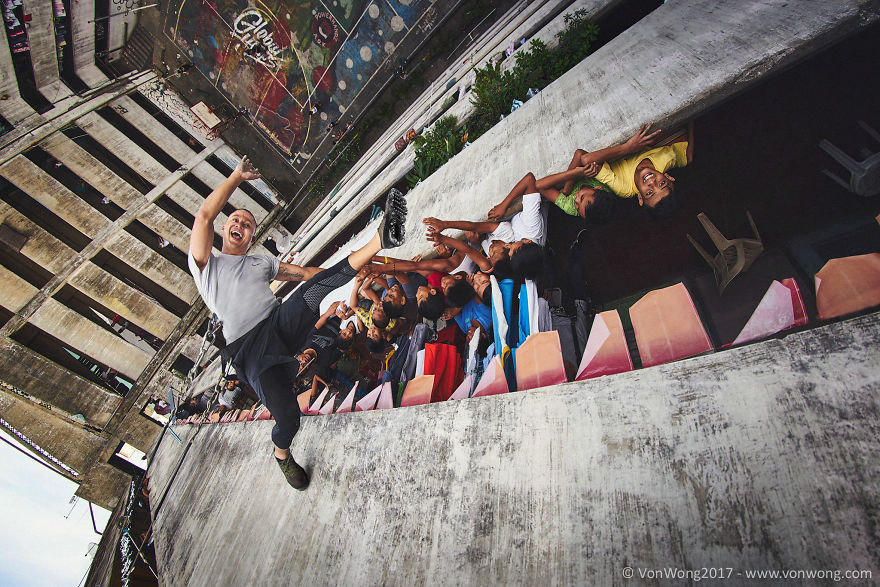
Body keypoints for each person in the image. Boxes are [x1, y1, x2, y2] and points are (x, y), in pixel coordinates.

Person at [188, 156, 407, 490]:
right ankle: (281, 454)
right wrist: (236, 177)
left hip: (279, 323)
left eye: (248, 225)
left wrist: (350, 272)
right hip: (249, 351)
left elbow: (307, 274)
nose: (241, 225)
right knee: (289, 418)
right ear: (224, 228)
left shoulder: (261, 262)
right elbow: (203, 215)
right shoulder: (206, 266)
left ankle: (379, 239)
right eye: (235, 220)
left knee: (313, 288)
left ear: (251, 237)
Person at [566, 122, 694, 218]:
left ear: (640, 198)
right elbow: (689, 157)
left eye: (649, 193)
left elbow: (586, 159)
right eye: (662, 183)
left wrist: (627, 148)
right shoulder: (669, 158)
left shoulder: (624, 188)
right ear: (669, 177)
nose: (652, 183)